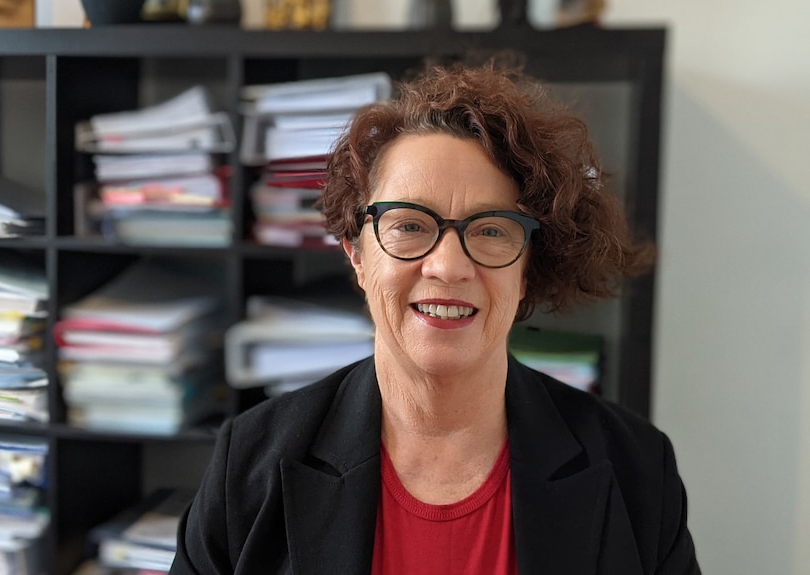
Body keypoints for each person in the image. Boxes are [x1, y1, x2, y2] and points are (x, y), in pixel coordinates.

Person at [170, 61, 701, 574]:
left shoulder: (636, 469)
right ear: (357, 252)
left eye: (492, 229)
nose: (448, 266)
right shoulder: (249, 463)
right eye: (408, 225)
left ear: (528, 267)